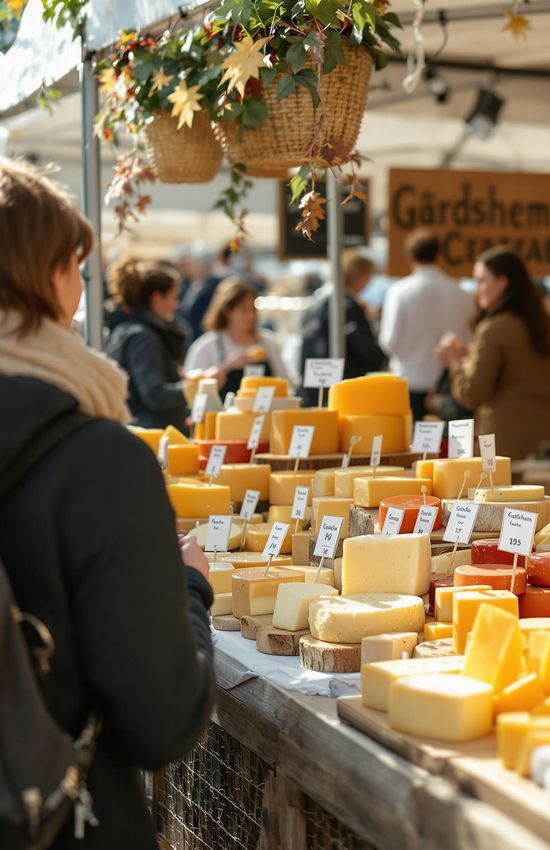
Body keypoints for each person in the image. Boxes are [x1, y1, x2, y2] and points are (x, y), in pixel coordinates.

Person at [0, 157, 214, 850]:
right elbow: (161, 724)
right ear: (51, 278)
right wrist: (190, 591)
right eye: (77, 265)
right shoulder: (97, 462)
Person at [436, 248, 550, 459]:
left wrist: (455, 362)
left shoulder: (493, 329)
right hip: (545, 445)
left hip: (499, 449)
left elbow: (472, 394)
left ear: (503, 282)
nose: (477, 289)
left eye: (481, 281)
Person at [379, 230, 476, 413]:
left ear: (409, 258)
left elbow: (389, 341)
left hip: (410, 381)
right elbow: (468, 339)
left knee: (410, 440)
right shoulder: (462, 293)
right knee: (450, 441)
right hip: (449, 383)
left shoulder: (399, 292)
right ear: (439, 256)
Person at [104, 258, 190, 431]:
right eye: (174, 297)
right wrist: (195, 389)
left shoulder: (129, 330)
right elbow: (155, 395)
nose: (176, 305)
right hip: (152, 435)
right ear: (157, 298)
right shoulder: (143, 337)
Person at [300, 250, 389, 404]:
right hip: (345, 388)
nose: (369, 281)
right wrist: (382, 359)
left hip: (315, 385)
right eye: (367, 275)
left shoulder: (317, 302)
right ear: (357, 275)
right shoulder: (347, 305)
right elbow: (365, 347)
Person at [183, 277, 287, 396]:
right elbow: (191, 392)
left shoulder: (268, 343)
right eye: (244, 310)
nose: (251, 315)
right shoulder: (205, 347)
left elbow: (285, 383)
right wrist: (226, 367)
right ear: (227, 311)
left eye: (253, 308)